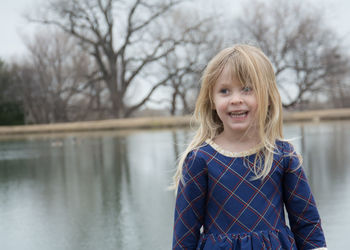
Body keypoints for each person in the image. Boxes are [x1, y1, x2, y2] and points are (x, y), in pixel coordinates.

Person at [171, 44, 327, 249]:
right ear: (211, 100)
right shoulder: (200, 160)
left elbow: (307, 223)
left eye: (247, 89)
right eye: (224, 91)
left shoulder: (281, 155)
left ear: (268, 97)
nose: (236, 100)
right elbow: (184, 235)